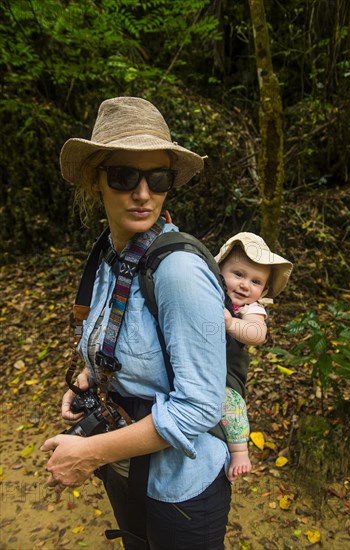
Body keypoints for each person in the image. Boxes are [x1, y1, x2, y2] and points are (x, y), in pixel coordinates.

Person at [40, 97, 231, 550]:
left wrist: (88, 452)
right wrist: (93, 378)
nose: (142, 193)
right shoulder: (114, 252)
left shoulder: (178, 272)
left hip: (180, 492)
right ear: (96, 181)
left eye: (157, 178)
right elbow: (123, 340)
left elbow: (201, 406)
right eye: (125, 176)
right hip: (128, 471)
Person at [215, 232, 293, 481]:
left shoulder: (250, 309)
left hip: (226, 371)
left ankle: (239, 450)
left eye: (256, 281)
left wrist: (231, 324)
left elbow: (257, 333)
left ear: (264, 290)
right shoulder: (209, 292)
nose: (245, 285)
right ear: (219, 271)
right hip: (196, 362)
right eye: (238, 274)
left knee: (231, 406)